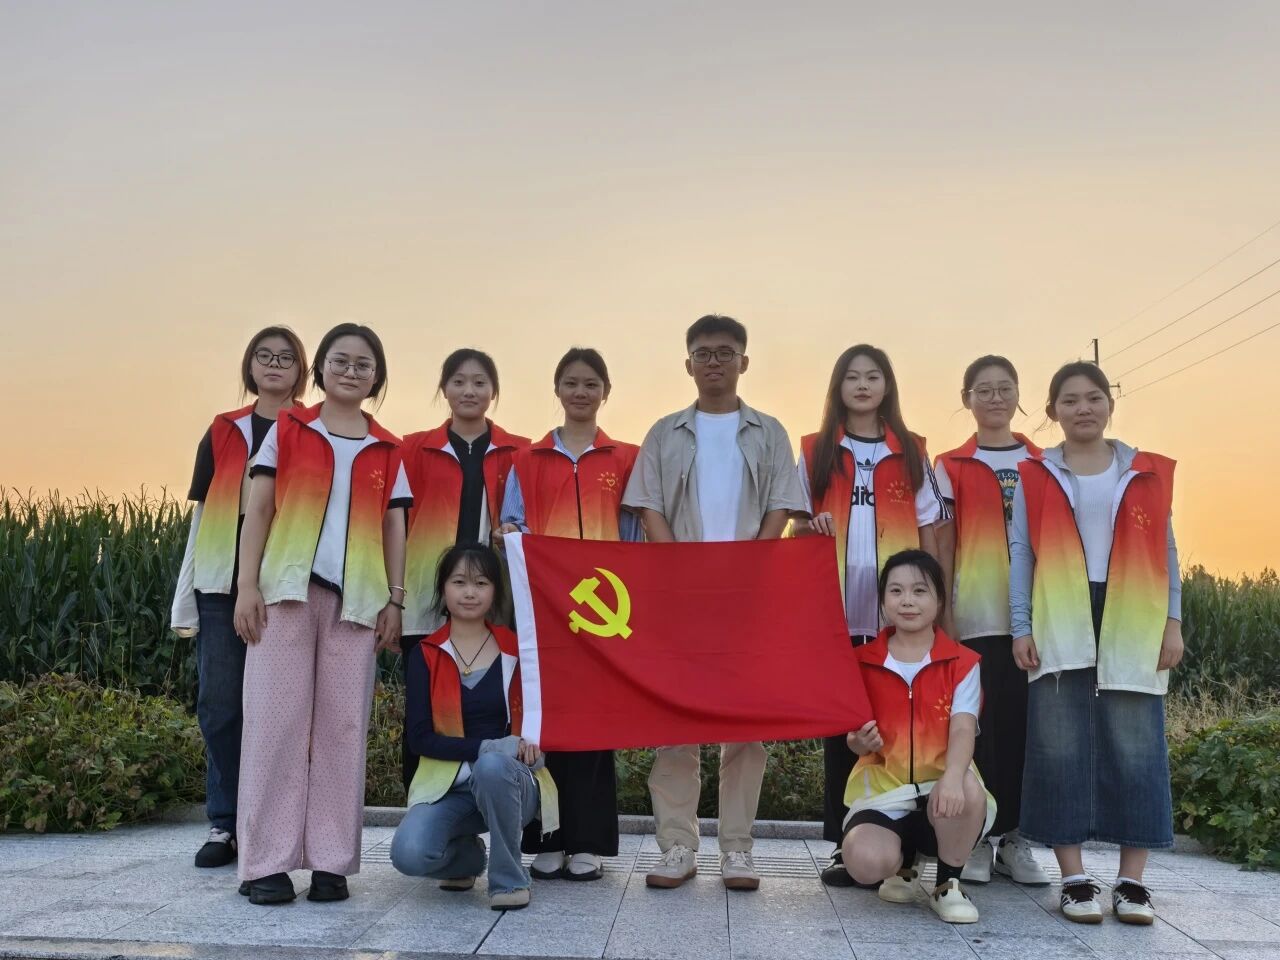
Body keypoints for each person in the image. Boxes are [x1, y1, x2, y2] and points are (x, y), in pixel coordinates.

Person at [621, 314, 806, 892]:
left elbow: (781, 505)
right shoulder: (664, 432)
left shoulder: (769, 432)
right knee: (677, 724)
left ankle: (738, 850)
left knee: (744, 728)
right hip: (680, 599)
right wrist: (682, 572)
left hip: (748, 599)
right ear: (688, 364)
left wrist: (750, 568)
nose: (714, 362)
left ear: (744, 362)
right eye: (703, 353)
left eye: (725, 352)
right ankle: (677, 846)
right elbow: (647, 506)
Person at [233, 323, 411, 905]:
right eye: (341, 361)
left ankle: (333, 863)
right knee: (273, 727)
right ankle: (265, 863)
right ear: (322, 369)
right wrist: (246, 587)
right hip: (283, 594)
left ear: (376, 377)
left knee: (343, 729)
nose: (351, 371)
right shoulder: (288, 430)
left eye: (363, 365)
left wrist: (395, 599)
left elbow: (394, 527)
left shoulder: (387, 448)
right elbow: (259, 510)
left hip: (357, 602)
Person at [1010, 361, 1183, 926]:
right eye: (1069, 400)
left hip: (1134, 609)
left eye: (1093, 397)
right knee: (1058, 741)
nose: (1083, 408)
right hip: (1059, 609)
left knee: (1136, 742)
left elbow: (1167, 550)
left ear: (1110, 404)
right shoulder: (1035, 474)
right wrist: (1021, 626)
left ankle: (1132, 883)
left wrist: (1173, 621)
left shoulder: (1146, 470)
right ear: (1052, 410)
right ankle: (1074, 879)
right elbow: (1022, 553)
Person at [793, 344, 949, 885]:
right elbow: (794, 524)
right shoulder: (815, 449)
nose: (862, 385)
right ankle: (845, 843)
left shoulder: (910, 449)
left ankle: (902, 844)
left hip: (896, 609)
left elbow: (929, 526)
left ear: (887, 386)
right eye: (852, 377)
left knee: (895, 724)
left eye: (873, 376)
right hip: (835, 608)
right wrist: (808, 527)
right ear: (838, 387)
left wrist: (934, 600)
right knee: (844, 725)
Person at [493, 347, 639, 881]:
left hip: (606, 612)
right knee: (544, 721)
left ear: (606, 392)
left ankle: (589, 841)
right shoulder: (526, 460)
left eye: (591, 384)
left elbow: (633, 536)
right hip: (546, 611)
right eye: (571, 383)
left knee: (595, 724)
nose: (581, 392)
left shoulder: (626, 458)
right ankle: (547, 839)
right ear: (557, 389)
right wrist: (509, 534)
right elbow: (511, 522)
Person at [170, 325, 308, 869]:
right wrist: (186, 594)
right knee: (221, 706)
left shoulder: (313, 430)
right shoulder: (222, 430)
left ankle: (273, 822)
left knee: (281, 712)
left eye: (285, 357)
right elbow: (204, 513)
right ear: (249, 366)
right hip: (221, 584)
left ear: (301, 370)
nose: (274, 364)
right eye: (264, 356)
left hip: (285, 583)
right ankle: (225, 822)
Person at [932, 356, 1050, 886]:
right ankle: (977, 836)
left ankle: (1017, 839)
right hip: (975, 614)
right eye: (984, 389)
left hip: (1037, 618)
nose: (995, 398)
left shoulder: (1044, 462)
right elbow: (942, 544)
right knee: (979, 729)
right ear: (967, 399)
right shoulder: (950, 464)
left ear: (1019, 395)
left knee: (1027, 730)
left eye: (1005, 388)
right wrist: (946, 613)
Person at [390, 542, 557, 912]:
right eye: (459, 582)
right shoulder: (426, 654)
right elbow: (420, 739)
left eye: (481, 583)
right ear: (443, 589)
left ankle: (509, 879)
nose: (469, 592)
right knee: (408, 854)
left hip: (513, 783)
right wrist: (488, 747)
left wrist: (532, 743)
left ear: (495, 591)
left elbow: (542, 716)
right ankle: (467, 858)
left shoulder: (518, 650)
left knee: (493, 767)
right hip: (449, 787)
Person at [841, 549, 993, 924]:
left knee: (966, 788)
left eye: (919, 591)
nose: (907, 600)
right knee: (864, 862)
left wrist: (953, 777)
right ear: (882, 601)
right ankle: (903, 867)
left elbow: (963, 727)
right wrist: (860, 743)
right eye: (896, 591)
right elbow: (853, 738)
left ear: (939, 601)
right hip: (885, 791)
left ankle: (948, 883)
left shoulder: (962, 663)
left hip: (940, 786)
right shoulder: (861, 662)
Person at [400, 350, 529, 788]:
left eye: (479, 382)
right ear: (444, 389)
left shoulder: (520, 452)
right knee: (423, 711)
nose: (469, 391)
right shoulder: (412, 448)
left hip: (495, 600)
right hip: (424, 595)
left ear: (494, 391)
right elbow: (391, 522)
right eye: (458, 381)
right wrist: (392, 596)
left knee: (497, 707)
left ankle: (501, 798)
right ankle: (423, 805)